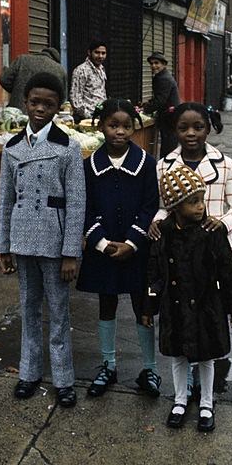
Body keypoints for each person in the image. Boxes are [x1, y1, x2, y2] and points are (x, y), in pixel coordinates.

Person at [0, 72, 86, 408]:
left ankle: (64, 379)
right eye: (35, 102)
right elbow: (5, 200)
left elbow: (77, 203)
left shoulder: (68, 148)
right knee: (28, 309)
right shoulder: (12, 147)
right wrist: (3, 246)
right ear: (25, 103)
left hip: (54, 240)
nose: (40, 109)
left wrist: (70, 253)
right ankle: (29, 373)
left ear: (57, 107)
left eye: (48, 104)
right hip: (22, 240)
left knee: (60, 313)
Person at [144, 164, 232, 432]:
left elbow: (228, 271)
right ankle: (179, 400)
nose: (201, 207)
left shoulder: (212, 232)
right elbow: (154, 274)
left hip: (206, 307)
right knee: (177, 355)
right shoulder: (163, 233)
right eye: (192, 202)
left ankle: (206, 402)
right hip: (174, 307)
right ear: (176, 206)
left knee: (206, 357)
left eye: (201, 200)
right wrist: (149, 306)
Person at [76, 98, 160, 399]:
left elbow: (151, 207)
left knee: (142, 306)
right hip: (104, 250)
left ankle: (150, 369)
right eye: (113, 125)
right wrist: (100, 242)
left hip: (136, 251)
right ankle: (108, 364)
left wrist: (132, 243)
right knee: (106, 302)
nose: (119, 132)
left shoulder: (148, 165)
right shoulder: (89, 167)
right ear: (101, 127)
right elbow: (84, 208)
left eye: (126, 126)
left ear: (134, 129)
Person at [148, 102, 232, 260]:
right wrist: (157, 221)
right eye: (183, 128)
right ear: (175, 130)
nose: (190, 133)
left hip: (215, 246)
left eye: (198, 127)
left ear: (208, 129)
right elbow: (163, 207)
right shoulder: (163, 166)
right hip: (176, 247)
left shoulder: (226, 165)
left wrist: (223, 223)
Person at [0, 47, 67, 112]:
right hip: (44, 115)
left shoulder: (22, 59)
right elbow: (62, 98)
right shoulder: (59, 70)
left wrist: (16, 91)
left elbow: (4, 80)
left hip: (17, 112)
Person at [143, 52, 180, 157]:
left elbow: (160, 100)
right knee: (168, 146)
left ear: (164, 64)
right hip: (168, 116)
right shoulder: (161, 76)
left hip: (169, 116)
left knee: (168, 148)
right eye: (151, 63)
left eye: (156, 63)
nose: (153, 66)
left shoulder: (163, 78)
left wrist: (146, 109)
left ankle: (167, 169)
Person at [70, 40, 107, 120]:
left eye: (103, 53)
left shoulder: (101, 69)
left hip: (100, 116)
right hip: (86, 119)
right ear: (89, 52)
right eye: (97, 52)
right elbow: (75, 99)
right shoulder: (81, 70)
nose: (100, 56)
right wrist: (89, 117)